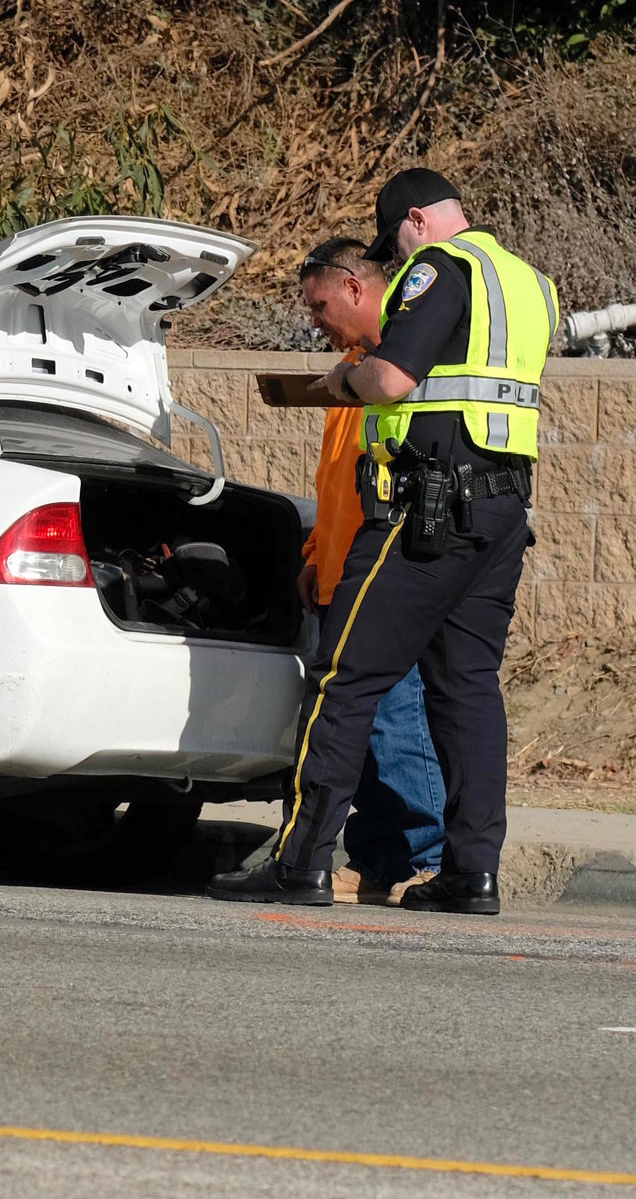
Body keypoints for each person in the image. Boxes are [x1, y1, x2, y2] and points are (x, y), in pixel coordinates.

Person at [212, 169, 555, 913]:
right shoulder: (531, 284)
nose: (396, 257)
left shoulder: (440, 267)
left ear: (417, 220)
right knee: (468, 688)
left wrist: (346, 380)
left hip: (428, 511)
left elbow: (394, 378)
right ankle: (471, 873)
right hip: (501, 514)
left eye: (396, 240)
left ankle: (301, 861)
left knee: (344, 676)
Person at [295, 236, 445, 900]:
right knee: (361, 727)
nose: (315, 319)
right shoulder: (354, 367)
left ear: (356, 287)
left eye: (321, 303)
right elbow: (336, 481)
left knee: (394, 717)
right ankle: (379, 855)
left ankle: (423, 854)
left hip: (381, 575)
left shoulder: (398, 368)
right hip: (340, 575)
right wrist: (313, 555)